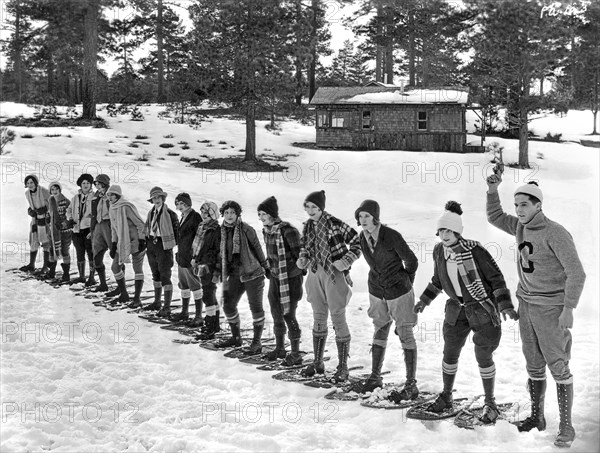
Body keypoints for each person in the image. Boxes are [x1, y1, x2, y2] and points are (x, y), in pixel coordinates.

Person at [487, 173, 586, 447]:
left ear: (538, 205)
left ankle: (566, 427)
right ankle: (536, 417)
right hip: (527, 304)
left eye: (524, 205)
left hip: (551, 307)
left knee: (558, 364)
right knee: (533, 362)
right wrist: (493, 190)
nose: (519, 210)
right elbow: (495, 217)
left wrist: (569, 308)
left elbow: (577, 273)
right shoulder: (520, 226)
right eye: (516, 205)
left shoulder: (555, 232)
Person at [414, 201, 518, 423]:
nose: (444, 235)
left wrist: (505, 305)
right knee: (449, 353)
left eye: (449, 230)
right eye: (441, 230)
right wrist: (424, 300)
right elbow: (437, 280)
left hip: (481, 309)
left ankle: (490, 403)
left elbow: (496, 279)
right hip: (456, 310)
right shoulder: (439, 251)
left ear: (458, 232)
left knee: (483, 355)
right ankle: (446, 395)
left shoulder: (475, 250)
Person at [351, 200, 419, 397]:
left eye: (366, 216)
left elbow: (411, 260)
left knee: (405, 331)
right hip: (376, 290)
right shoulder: (362, 237)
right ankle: (375, 377)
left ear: (375, 217)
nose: (363, 220)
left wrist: (406, 280)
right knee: (380, 328)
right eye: (360, 216)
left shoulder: (391, 236)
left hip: (399, 290)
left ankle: (411, 385)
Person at [296, 190, 361, 382]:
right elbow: (304, 248)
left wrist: (347, 260)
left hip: (334, 273)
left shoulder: (335, 223)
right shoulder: (307, 227)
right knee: (318, 316)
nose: (310, 211)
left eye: (314, 207)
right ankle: (318, 362)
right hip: (315, 274)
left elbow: (357, 242)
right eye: (307, 207)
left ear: (321, 207)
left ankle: (343, 366)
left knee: (338, 317)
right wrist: (303, 259)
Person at [215, 200, 269, 353]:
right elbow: (221, 253)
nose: (229, 215)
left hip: (253, 274)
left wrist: (266, 267)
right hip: (234, 274)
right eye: (226, 213)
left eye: (232, 212)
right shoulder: (222, 231)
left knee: (256, 308)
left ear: (238, 214)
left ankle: (257, 343)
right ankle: (236, 338)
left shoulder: (246, 229)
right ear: (223, 214)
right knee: (227, 304)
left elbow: (258, 248)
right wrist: (218, 271)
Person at [258, 196, 304, 365]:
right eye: (259, 214)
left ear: (272, 214)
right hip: (276, 277)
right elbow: (271, 254)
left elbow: (300, 254)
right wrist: (270, 270)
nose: (261, 217)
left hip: (291, 279)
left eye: (263, 214)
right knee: (276, 312)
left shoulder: (288, 230)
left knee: (289, 314)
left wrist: (296, 271)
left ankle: (296, 353)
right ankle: (280, 348)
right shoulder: (267, 230)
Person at [106, 185, 147, 305]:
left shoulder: (126, 207)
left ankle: (137, 299)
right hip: (122, 241)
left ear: (118, 195)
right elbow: (114, 228)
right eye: (108, 195)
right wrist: (114, 243)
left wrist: (142, 240)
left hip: (135, 241)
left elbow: (140, 224)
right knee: (115, 267)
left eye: (112, 195)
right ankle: (124, 294)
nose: (110, 197)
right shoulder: (112, 207)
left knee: (137, 268)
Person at [142, 186, 179, 316]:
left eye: (159, 197)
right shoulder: (151, 213)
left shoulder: (170, 214)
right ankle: (157, 301)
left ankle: (167, 306)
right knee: (155, 274)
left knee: (165, 275)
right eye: (154, 198)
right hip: (151, 244)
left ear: (163, 198)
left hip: (163, 246)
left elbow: (176, 233)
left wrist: (169, 244)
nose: (157, 200)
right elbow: (148, 228)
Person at [191, 201, 222, 337]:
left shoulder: (216, 230)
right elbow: (198, 246)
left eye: (207, 213)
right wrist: (196, 259)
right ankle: (215, 325)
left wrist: (206, 262)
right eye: (202, 212)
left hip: (209, 265)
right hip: (202, 263)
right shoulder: (202, 226)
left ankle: (209, 326)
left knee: (208, 295)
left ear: (213, 215)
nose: (204, 216)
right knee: (210, 293)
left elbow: (216, 250)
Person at [173, 193, 203, 323]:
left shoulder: (195, 217)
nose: (180, 206)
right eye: (178, 204)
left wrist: (196, 257)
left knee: (194, 285)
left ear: (188, 204)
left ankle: (198, 316)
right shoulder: (183, 217)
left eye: (182, 204)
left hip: (190, 258)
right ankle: (184, 312)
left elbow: (200, 238)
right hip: (182, 257)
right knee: (183, 284)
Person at [20, 174, 54, 274]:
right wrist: (30, 211)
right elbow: (31, 206)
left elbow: (52, 202)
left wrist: (45, 209)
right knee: (33, 240)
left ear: (35, 182)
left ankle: (45, 266)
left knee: (45, 240)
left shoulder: (43, 191)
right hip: (35, 219)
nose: (30, 184)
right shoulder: (27, 193)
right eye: (28, 183)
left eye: (31, 182)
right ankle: (31, 264)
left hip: (44, 219)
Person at [66, 173, 96, 286]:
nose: (86, 185)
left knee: (91, 253)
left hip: (88, 229)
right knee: (79, 253)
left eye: (88, 183)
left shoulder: (95, 197)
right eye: (83, 183)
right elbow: (68, 210)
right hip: (77, 230)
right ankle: (82, 276)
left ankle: (92, 277)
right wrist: (70, 218)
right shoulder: (75, 198)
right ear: (80, 185)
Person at [90, 174, 113, 292]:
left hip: (109, 225)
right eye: (96, 184)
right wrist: (92, 229)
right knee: (97, 256)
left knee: (115, 254)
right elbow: (93, 214)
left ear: (104, 184)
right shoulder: (96, 196)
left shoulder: (111, 195)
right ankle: (103, 283)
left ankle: (121, 286)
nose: (97, 186)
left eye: (99, 183)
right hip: (98, 225)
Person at [48, 182, 73, 282]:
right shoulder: (50, 200)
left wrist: (63, 223)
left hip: (65, 231)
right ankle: (51, 272)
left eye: (56, 189)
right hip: (54, 231)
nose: (54, 191)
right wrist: (47, 218)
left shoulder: (66, 201)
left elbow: (71, 216)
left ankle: (66, 274)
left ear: (60, 190)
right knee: (52, 249)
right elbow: (49, 213)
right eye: (52, 190)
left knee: (64, 250)